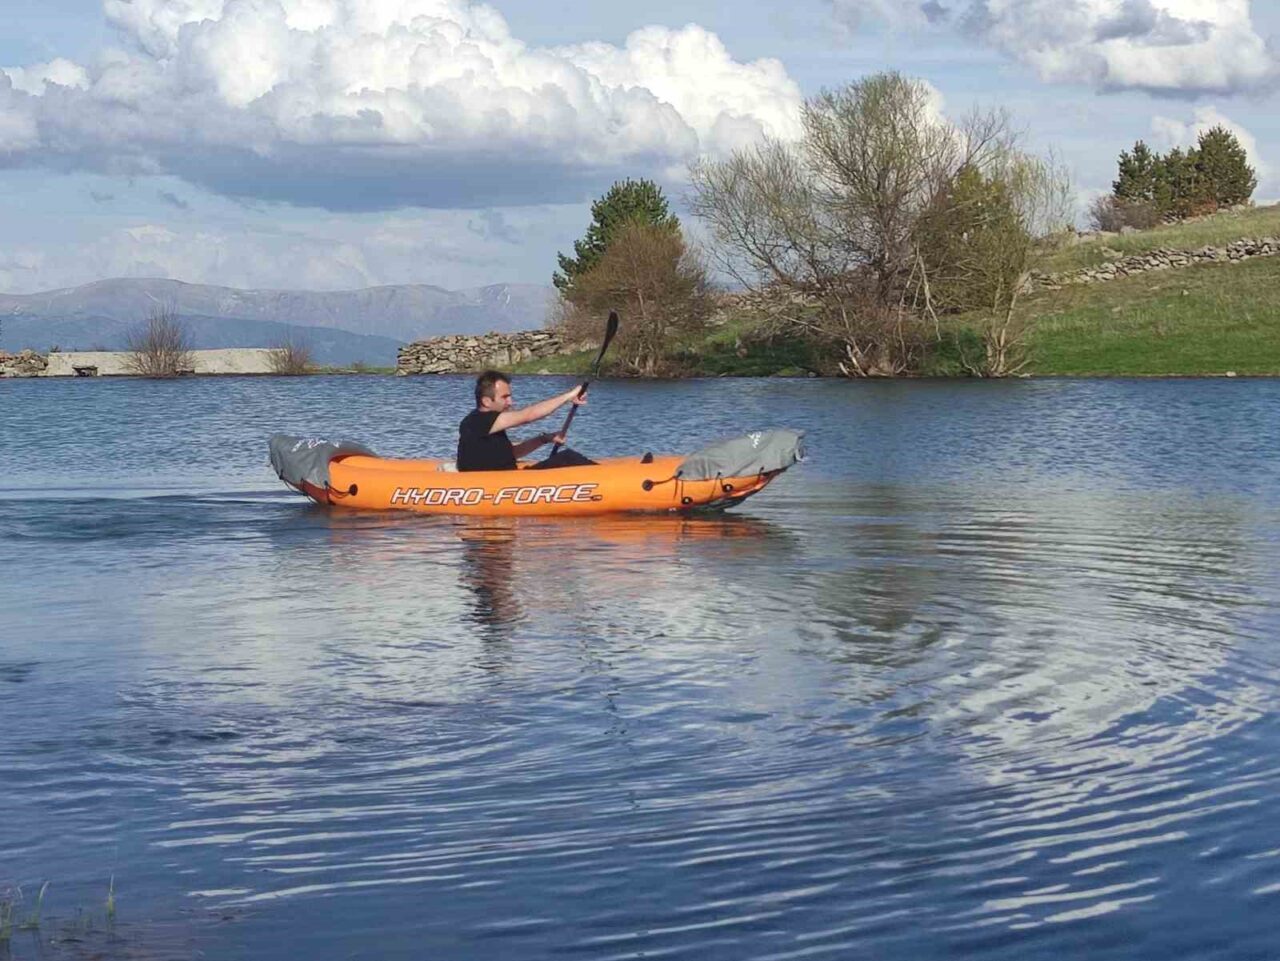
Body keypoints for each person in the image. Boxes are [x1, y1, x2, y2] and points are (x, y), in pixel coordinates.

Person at [457, 370, 595, 472]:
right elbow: (528, 415)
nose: (510, 402)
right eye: (505, 397)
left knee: (565, 459)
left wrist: (544, 439)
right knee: (567, 458)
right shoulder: (479, 421)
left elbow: (511, 454)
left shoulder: (484, 424)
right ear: (486, 401)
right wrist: (569, 396)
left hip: (506, 479)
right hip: (498, 483)